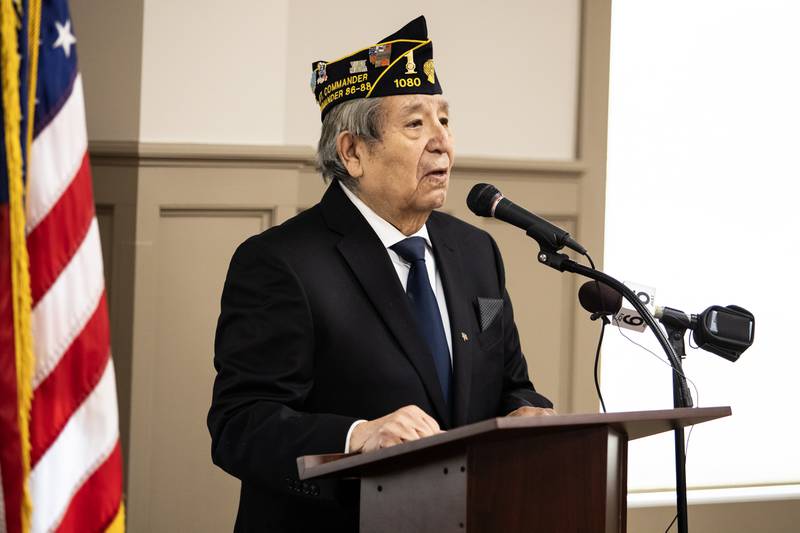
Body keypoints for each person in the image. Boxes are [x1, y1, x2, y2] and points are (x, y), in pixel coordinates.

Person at [208, 16, 554, 532]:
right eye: (416, 124)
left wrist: (527, 413)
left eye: (445, 120)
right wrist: (356, 436)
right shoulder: (279, 263)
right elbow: (240, 426)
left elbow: (510, 384)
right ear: (352, 153)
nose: (442, 142)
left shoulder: (475, 250)